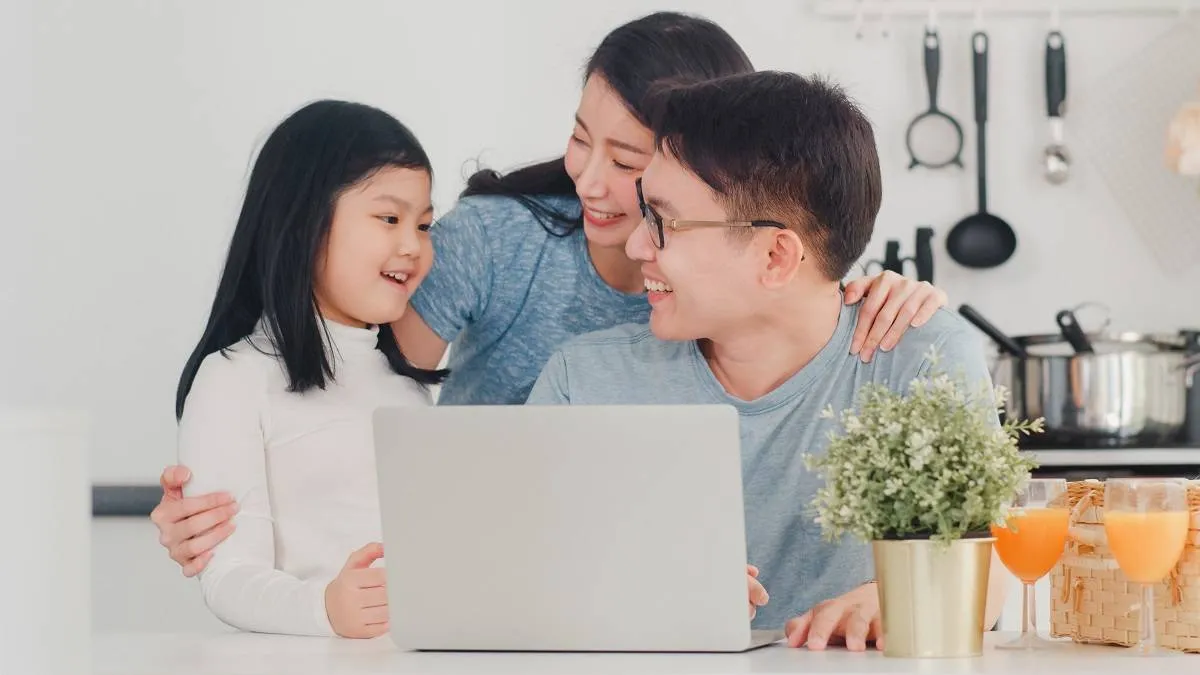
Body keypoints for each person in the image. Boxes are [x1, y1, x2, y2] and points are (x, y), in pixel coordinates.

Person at [151, 13, 948, 581]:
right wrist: (227, 491)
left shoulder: (732, 277)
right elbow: (359, 385)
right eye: (578, 138)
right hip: (472, 567)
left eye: (627, 161)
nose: (589, 181)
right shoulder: (496, 242)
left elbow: (795, 288)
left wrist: (875, 296)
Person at [524, 70, 1009, 651]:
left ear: (777, 256)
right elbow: (519, 576)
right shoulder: (584, 381)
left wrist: (905, 597)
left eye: (662, 222)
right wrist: (631, 589)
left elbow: (991, 569)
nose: (636, 245)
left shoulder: (919, 359)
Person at [173, 99, 445, 638]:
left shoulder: (406, 388)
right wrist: (323, 608)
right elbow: (228, 575)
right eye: (390, 218)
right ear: (306, 222)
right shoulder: (233, 379)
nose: (413, 245)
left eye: (424, 224)